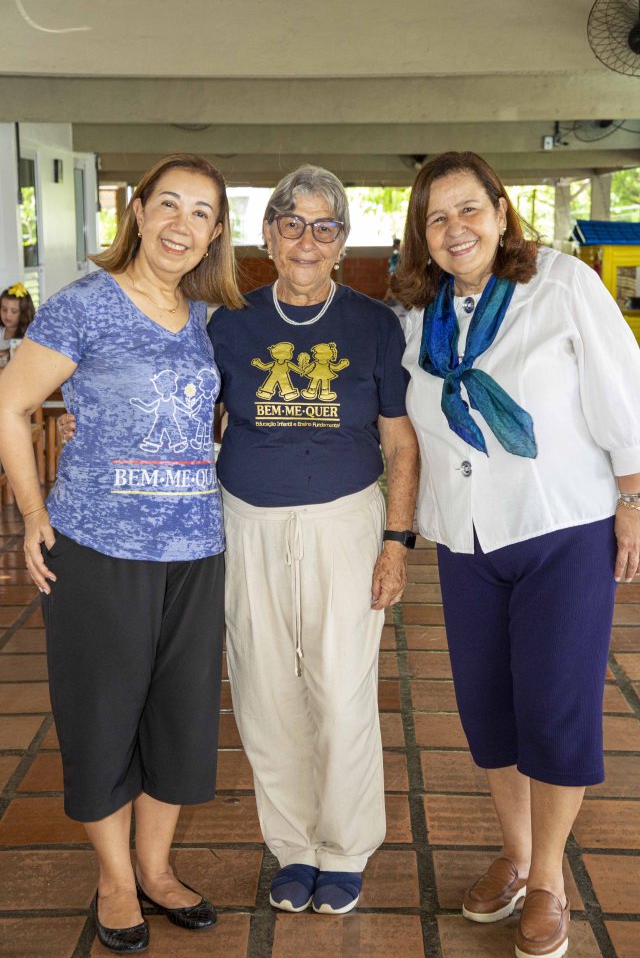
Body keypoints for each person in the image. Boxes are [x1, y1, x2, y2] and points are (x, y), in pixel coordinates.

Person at [393, 151, 640, 958]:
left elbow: (621, 392)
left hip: (561, 528)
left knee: (557, 707)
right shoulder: (415, 318)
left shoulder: (561, 284)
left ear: (502, 213)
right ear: (421, 237)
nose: (454, 228)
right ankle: (519, 849)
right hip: (465, 537)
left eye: (469, 209)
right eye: (436, 218)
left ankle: (549, 882)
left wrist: (633, 499)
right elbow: (398, 428)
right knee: (488, 708)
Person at [0, 154, 243, 953]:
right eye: (168, 204)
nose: (183, 224)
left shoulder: (208, 318)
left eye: (201, 212)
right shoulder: (83, 308)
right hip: (100, 547)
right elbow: (11, 405)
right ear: (137, 212)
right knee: (104, 716)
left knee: (177, 718)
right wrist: (33, 511)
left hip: (195, 547)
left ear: (214, 234)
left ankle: (156, 867)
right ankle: (113, 879)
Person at [210, 165, 418, 915]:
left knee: (340, 689)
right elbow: (199, 426)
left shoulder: (372, 323)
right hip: (249, 521)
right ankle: (294, 848)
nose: (307, 239)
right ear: (267, 235)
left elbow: (399, 444)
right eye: (292, 223)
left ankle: (346, 847)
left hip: (345, 522)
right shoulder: (229, 322)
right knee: (265, 692)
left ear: (342, 242)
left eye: (325, 226)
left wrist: (397, 540)